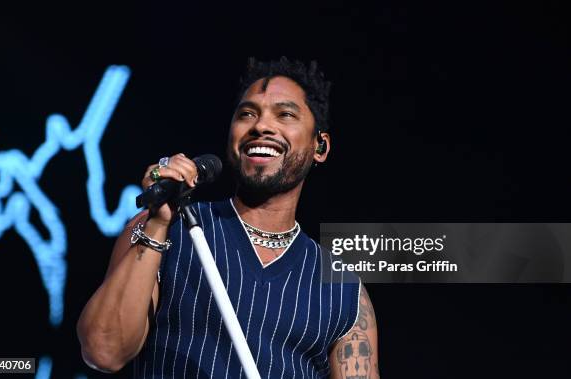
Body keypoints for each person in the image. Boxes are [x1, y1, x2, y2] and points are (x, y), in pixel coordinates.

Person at [77, 57, 380, 378]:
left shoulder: (342, 289)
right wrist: (158, 222)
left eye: (285, 114)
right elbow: (104, 350)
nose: (261, 126)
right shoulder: (168, 228)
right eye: (247, 114)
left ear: (320, 146)